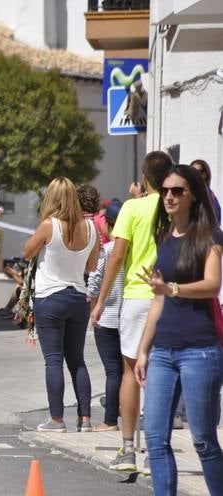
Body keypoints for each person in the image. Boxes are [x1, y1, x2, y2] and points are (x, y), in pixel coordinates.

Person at [135, 164, 223, 495]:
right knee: (156, 439)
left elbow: (213, 285)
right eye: (165, 191)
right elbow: (157, 301)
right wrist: (144, 349)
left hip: (199, 351)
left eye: (177, 191)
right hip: (163, 351)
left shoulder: (210, 238)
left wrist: (172, 288)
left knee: (202, 439)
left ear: (193, 195)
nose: (169, 197)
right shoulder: (163, 238)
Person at [90, 151, 173, 472]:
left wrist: (99, 300)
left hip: (137, 296)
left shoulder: (132, 208)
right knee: (161, 374)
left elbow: (116, 256)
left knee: (130, 373)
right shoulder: (174, 207)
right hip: (169, 296)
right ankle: (156, 450)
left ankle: (127, 449)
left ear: (145, 176)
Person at [23, 177, 99, 432]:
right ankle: (85, 419)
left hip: (50, 298)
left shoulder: (49, 225)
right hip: (78, 297)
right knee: (77, 360)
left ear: (52, 199)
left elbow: (27, 252)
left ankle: (56, 419)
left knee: (53, 360)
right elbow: (91, 266)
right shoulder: (90, 228)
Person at [87, 200, 124, 432]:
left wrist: (94, 306)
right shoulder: (136, 250)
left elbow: (94, 284)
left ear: (109, 226)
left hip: (107, 317)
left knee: (113, 371)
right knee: (129, 371)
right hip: (130, 317)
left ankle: (110, 420)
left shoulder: (108, 251)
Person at [190, 158, 221, 224]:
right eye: (192, 171)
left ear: (206, 175)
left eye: (200, 171)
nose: (196, 174)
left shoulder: (208, 195)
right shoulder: (190, 192)